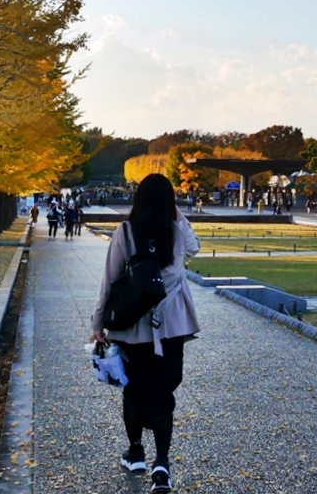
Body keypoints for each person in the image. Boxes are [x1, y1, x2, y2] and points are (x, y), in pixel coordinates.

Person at [91, 174, 200, 494]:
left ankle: (136, 450)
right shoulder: (176, 230)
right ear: (170, 201)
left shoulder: (126, 231)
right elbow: (197, 247)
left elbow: (109, 280)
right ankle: (162, 463)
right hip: (171, 326)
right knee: (164, 393)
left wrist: (99, 321)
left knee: (133, 388)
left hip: (134, 325)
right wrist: (176, 213)